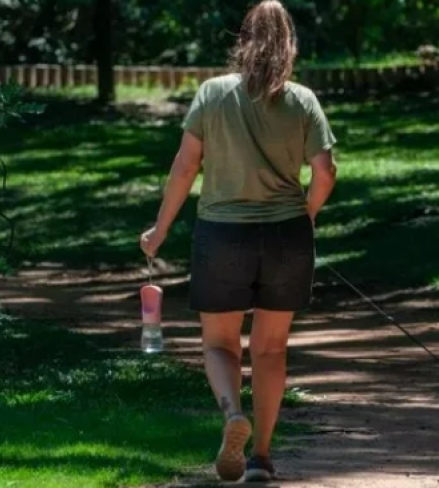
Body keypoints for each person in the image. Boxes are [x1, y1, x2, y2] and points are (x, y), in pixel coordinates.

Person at [139, 0, 337, 482]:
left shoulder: (212, 93)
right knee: (271, 350)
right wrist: (306, 214)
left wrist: (160, 230)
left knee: (220, 343)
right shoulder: (303, 100)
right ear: (289, 44)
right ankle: (262, 458)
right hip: (287, 236)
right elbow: (326, 171)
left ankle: (232, 415)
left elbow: (185, 166)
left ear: (243, 40)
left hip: (222, 235)